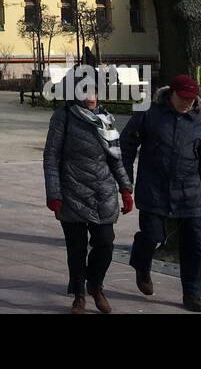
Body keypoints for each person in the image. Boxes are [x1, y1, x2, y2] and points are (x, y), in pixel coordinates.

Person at [120, 74, 201, 313]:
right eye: (182, 98)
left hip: (190, 193)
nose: (187, 103)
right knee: (152, 236)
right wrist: (126, 180)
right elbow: (127, 144)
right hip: (154, 189)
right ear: (170, 93)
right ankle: (141, 264)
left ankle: (193, 293)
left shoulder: (200, 123)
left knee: (197, 246)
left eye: (191, 99)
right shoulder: (149, 114)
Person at [42, 75, 134, 314]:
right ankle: (79, 296)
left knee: (105, 243)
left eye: (94, 90)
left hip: (102, 192)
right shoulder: (64, 116)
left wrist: (125, 189)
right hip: (71, 191)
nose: (90, 94)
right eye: (85, 90)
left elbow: (116, 159)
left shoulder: (106, 120)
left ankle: (95, 285)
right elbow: (51, 156)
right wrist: (54, 193)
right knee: (77, 248)